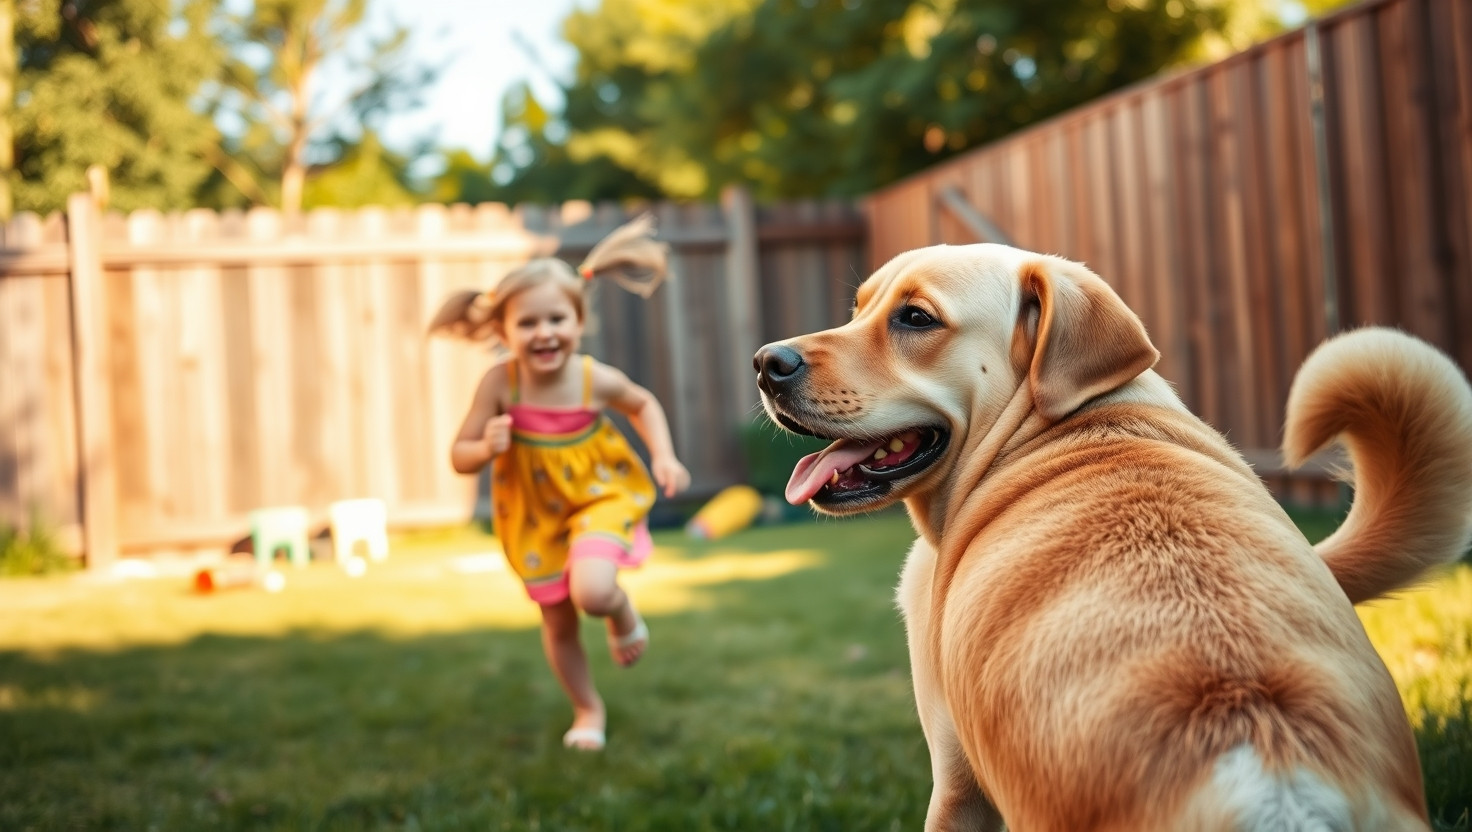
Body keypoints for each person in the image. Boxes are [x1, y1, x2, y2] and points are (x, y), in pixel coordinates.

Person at [428, 214, 691, 751]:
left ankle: (620, 612)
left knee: (592, 590)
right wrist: (485, 446)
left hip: (600, 495)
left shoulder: (594, 379)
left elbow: (642, 403)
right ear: (503, 332)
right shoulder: (500, 384)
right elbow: (459, 455)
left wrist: (664, 456)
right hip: (534, 515)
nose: (544, 332)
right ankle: (587, 709)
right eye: (527, 324)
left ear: (577, 320)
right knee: (558, 622)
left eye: (556, 319)